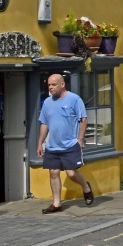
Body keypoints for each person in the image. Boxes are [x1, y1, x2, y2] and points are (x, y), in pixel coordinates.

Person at [37, 73, 94, 213]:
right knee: (53, 172)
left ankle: (86, 188)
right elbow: (44, 123)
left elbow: (83, 119)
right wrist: (40, 143)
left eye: (53, 84)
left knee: (71, 173)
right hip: (53, 146)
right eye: (49, 85)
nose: (50, 87)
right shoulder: (47, 103)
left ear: (62, 84)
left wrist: (80, 139)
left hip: (70, 144)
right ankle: (56, 204)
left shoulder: (74, 99)